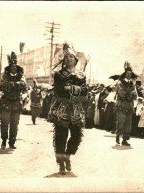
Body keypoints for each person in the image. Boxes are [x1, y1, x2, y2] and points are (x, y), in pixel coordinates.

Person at [48, 43, 88, 174]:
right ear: (64, 60)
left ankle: (67, 156)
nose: (69, 59)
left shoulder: (81, 74)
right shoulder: (59, 74)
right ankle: (60, 163)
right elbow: (59, 90)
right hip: (62, 108)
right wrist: (75, 88)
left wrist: (71, 88)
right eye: (67, 57)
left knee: (76, 136)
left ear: (75, 60)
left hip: (76, 109)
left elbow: (85, 91)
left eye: (71, 57)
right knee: (61, 137)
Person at [0, 51, 27, 149]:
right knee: (4, 123)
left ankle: (12, 142)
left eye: (15, 67)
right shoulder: (5, 75)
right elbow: (3, 85)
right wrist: (15, 85)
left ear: (17, 68)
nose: (14, 68)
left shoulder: (21, 76)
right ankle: (4, 141)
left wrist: (13, 84)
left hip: (16, 103)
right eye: (12, 66)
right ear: (9, 68)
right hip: (5, 102)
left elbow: (23, 85)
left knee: (15, 124)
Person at [115, 61, 137, 146]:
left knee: (128, 123)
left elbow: (135, 95)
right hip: (122, 104)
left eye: (130, 74)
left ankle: (125, 139)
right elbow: (121, 93)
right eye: (127, 73)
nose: (129, 75)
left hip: (130, 105)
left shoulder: (133, 84)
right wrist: (130, 93)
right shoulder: (120, 83)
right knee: (121, 122)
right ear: (125, 74)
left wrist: (132, 94)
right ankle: (118, 135)